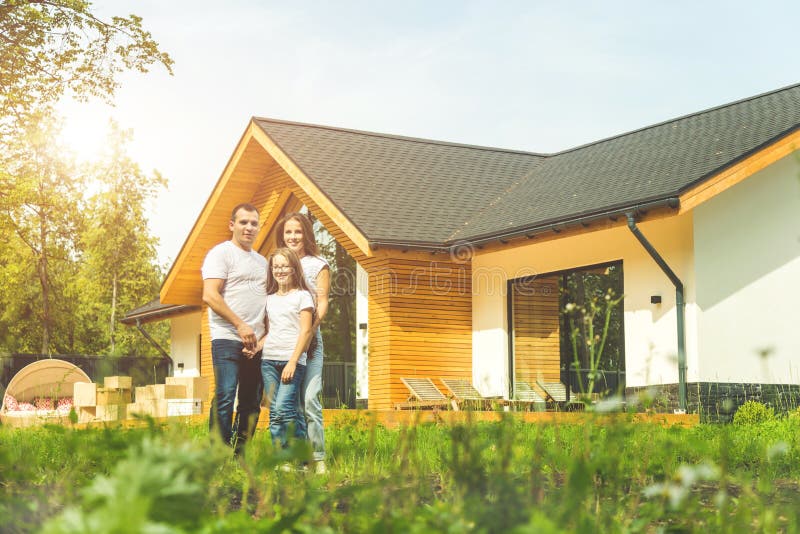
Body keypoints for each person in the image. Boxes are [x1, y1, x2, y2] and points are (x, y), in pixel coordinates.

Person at [201, 203, 266, 455]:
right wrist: (240, 325)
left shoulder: (262, 262)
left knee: (251, 401)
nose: (249, 227)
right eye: (243, 222)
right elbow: (210, 295)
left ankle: (241, 455)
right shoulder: (221, 254)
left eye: (253, 223)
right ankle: (218, 453)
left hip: (255, 343)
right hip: (227, 338)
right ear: (232, 225)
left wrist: (260, 339)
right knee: (226, 395)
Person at [276, 212, 330, 474]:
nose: (293, 236)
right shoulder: (276, 262)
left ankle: (318, 458)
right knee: (291, 404)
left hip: (311, 342)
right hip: (284, 342)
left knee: (309, 399)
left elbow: (322, 303)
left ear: (306, 234)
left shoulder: (318, 264)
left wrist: (309, 334)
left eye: (297, 231)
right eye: (288, 232)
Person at [249, 247, 314, 451]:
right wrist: (256, 347)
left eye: (285, 265)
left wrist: (293, 362)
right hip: (268, 361)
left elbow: (305, 332)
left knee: (282, 409)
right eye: (276, 266)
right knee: (281, 411)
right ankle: (288, 458)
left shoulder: (303, 296)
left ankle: (292, 456)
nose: (280, 270)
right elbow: (270, 332)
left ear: (294, 268)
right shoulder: (269, 299)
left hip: (291, 360)